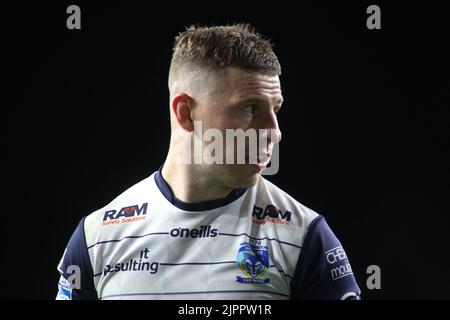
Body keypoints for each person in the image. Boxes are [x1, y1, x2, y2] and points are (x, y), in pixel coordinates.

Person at [56, 23, 361, 300]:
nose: (274, 132)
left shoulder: (304, 235)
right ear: (185, 113)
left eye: (275, 109)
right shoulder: (98, 236)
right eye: (250, 108)